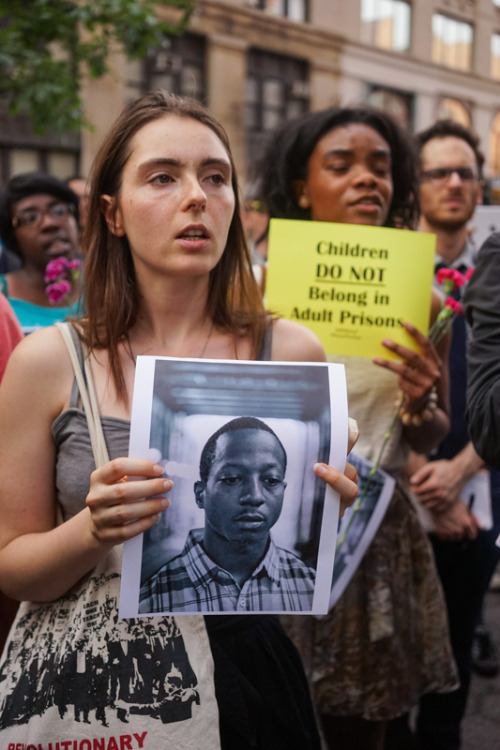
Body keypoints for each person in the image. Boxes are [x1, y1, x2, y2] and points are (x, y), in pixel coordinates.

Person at [0, 91, 359, 749]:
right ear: (110, 212)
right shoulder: (48, 361)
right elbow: (12, 565)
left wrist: (327, 505)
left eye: (215, 177)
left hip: (249, 684)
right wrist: (92, 528)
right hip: (98, 690)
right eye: (163, 176)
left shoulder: (291, 352)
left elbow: (299, 572)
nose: (197, 197)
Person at [257, 106, 457, 750]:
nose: (367, 180)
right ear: (300, 187)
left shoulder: (421, 298)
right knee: (266, 713)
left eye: (381, 167)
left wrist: (421, 404)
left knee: (361, 727)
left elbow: (429, 438)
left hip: (373, 535)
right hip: (273, 525)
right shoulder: (251, 292)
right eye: (341, 166)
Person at [408, 120, 500, 750]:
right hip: (397, 489)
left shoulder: (494, 264)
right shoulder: (382, 271)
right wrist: (423, 486)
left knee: (458, 644)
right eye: (438, 171)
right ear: (414, 186)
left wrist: (463, 471)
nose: (455, 183)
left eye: (466, 171)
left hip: (480, 485)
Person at [140, 416, 315, 613]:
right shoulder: (151, 602)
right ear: (200, 494)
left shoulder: (312, 589)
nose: (255, 496)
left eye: (271, 480)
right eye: (232, 479)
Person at [0, 172, 82, 334]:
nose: (49, 223)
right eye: (30, 218)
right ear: (12, 238)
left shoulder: (110, 286)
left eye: (59, 211)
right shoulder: (3, 299)